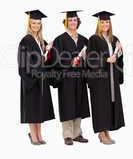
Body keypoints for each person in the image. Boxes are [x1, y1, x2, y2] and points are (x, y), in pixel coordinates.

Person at [51, 10, 90, 145]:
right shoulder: (59, 40)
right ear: (66, 22)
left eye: (75, 20)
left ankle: (77, 133)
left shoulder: (84, 40)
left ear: (78, 22)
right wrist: (70, 63)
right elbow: (55, 60)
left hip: (79, 77)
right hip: (66, 77)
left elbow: (90, 59)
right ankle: (67, 135)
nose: (73, 22)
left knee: (79, 103)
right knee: (67, 104)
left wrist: (84, 60)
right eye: (70, 20)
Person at [86, 11, 125, 145]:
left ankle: (107, 131)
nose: (105, 24)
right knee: (100, 105)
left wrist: (120, 51)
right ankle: (102, 134)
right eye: (102, 22)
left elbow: (119, 59)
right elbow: (90, 59)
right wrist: (106, 60)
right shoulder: (94, 39)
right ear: (98, 23)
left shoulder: (114, 39)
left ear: (110, 23)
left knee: (109, 104)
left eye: (107, 22)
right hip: (99, 79)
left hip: (111, 78)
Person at [18, 10, 55, 145]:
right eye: (33, 23)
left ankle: (39, 134)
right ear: (29, 24)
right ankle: (33, 135)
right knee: (32, 109)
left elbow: (47, 60)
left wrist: (49, 51)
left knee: (39, 109)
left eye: (38, 23)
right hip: (31, 80)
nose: (36, 25)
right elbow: (23, 63)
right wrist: (29, 80)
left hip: (42, 80)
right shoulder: (25, 40)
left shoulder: (41, 41)